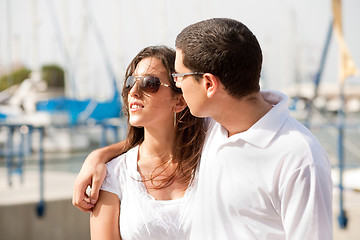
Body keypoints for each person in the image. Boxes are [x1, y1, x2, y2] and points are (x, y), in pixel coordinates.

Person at [73, 18, 333, 239]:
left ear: (208, 84)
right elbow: (159, 141)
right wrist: (98, 156)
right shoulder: (217, 130)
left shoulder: (299, 159)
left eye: (179, 78)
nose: (178, 86)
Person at [89, 45, 206, 240]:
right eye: (130, 83)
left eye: (149, 83)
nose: (133, 92)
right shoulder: (114, 174)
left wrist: (98, 154)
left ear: (179, 101)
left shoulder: (210, 156)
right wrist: (97, 156)